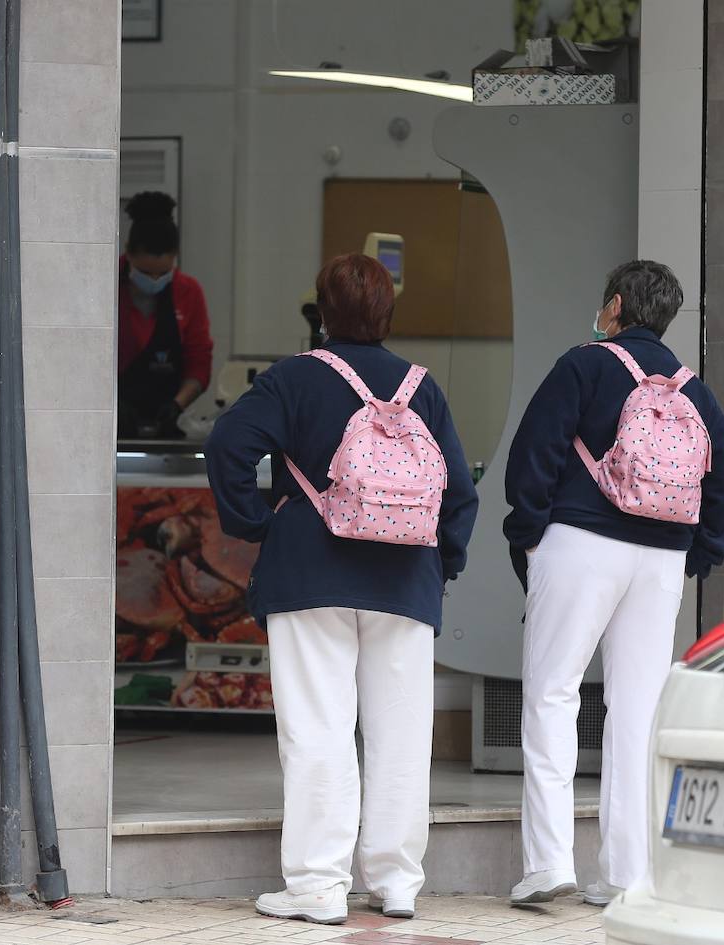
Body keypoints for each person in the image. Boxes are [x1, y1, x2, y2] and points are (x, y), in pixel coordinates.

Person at [205, 254, 479, 925]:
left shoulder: (295, 378)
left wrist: (253, 521)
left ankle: (318, 886)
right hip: (406, 582)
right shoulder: (423, 388)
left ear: (323, 312)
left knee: (319, 730)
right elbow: (460, 494)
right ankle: (395, 882)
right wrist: (440, 564)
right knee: (401, 733)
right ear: (388, 312)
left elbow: (227, 447)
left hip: (311, 575)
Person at [503, 260, 724, 907]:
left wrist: (529, 532)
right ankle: (626, 873)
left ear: (616, 306)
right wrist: (695, 557)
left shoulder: (584, 365)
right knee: (636, 712)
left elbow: (533, 456)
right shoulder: (698, 395)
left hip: (580, 543)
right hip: (660, 560)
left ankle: (548, 861)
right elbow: (717, 494)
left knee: (552, 693)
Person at [117, 191, 213, 439]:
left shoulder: (188, 292)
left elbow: (199, 361)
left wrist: (177, 405)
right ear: (128, 253)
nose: (154, 281)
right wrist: (108, 403)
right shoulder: (106, 284)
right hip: (110, 417)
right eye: (145, 272)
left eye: (163, 273)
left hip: (166, 419)